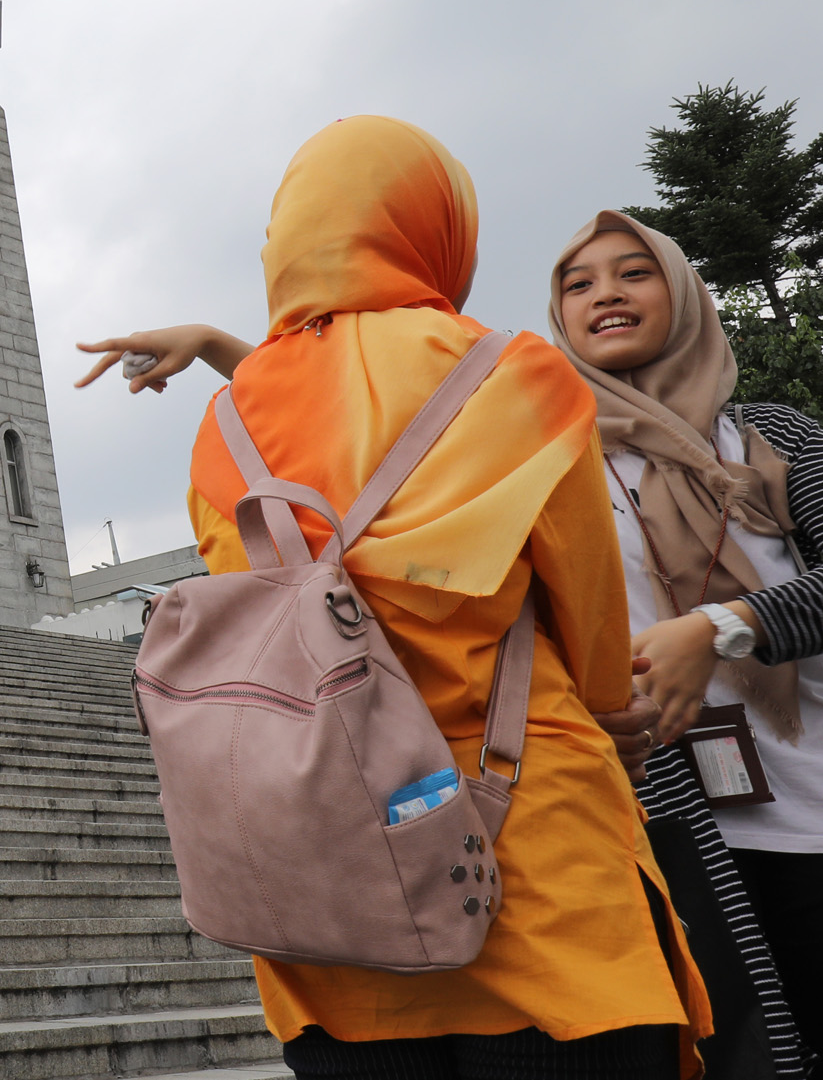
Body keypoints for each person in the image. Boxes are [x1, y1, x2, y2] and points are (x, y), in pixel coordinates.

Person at [83, 116, 711, 1080]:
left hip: (328, 894)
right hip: (531, 868)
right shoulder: (514, 373)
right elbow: (594, 645)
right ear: (436, 224)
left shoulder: (229, 420)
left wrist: (219, 343)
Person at [549, 211, 823, 1080]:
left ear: (681, 296)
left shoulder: (764, 435)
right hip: (660, 828)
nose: (606, 292)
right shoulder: (543, 466)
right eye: (578, 281)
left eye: (634, 272)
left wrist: (721, 628)